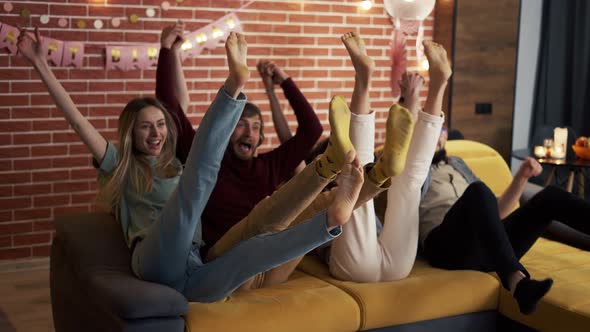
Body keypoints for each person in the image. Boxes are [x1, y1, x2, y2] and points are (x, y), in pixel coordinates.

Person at [17, 26, 363, 303]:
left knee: (253, 255)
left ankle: (331, 221)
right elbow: (78, 122)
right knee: (196, 187)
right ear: (131, 134)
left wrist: (175, 53)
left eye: (161, 124)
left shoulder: (176, 164)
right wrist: (40, 64)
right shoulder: (119, 165)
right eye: (145, 126)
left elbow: (176, 107)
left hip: (195, 269)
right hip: (154, 258)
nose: (155, 132)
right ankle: (233, 88)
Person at [155, 24, 324, 257]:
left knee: (281, 234)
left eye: (256, 127)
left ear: (260, 138)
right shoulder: (203, 160)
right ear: (226, 130)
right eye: (242, 124)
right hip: (218, 255)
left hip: (258, 254)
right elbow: (169, 107)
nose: (249, 133)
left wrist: (283, 81)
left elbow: (312, 130)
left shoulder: (269, 166)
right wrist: (166, 49)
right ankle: (234, 85)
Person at [419, 129, 590, 314]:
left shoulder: (457, 163)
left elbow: (495, 210)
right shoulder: (412, 167)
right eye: (433, 128)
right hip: (445, 247)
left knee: (550, 197)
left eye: (441, 129)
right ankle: (517, 280)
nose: (438, 134)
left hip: (486, 248)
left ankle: (518, 283)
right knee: (478, 190)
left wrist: (522, 176)